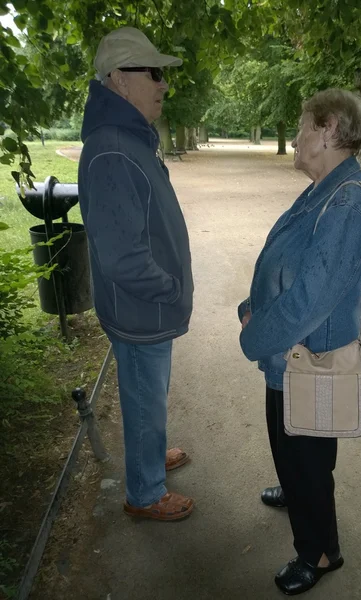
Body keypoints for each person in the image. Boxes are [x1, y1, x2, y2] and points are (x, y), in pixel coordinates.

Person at [238, 89, 361, 595]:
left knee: (309, 459)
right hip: (292, 354)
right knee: (292, 443)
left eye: (301, 126)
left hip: (309, 357)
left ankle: (319, 552)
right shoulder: (325, 187)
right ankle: (297, 493)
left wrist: (253, 334)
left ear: (328, 128)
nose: (295, 137)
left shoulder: (347, 201)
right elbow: (288, 264)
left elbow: (311, 300)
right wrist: (254, 305)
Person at [78, 27, 194, 521]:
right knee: (145, 393)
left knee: (150, 391)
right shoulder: (111, 149)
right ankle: (145, 493)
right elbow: (122, 257)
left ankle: (151, 455)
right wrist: (169, 289)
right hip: (143, 306)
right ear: (119, 81)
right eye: (153, 73)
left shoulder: (127, 138)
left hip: (149, 306)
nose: (163, 84)